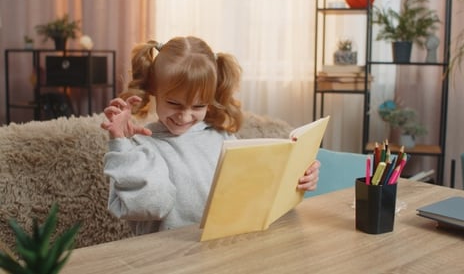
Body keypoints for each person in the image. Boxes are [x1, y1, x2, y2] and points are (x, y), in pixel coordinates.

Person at [101, 36, 320, 235]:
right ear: (154, 90)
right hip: (168, 260)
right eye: (174, 103)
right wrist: (120, 143)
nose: (185, 116)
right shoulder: (140, 147)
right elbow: (151, 204)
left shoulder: (222, 138)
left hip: (225, 249)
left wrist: (296, 177)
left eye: (198, 105)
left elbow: (256, 193)